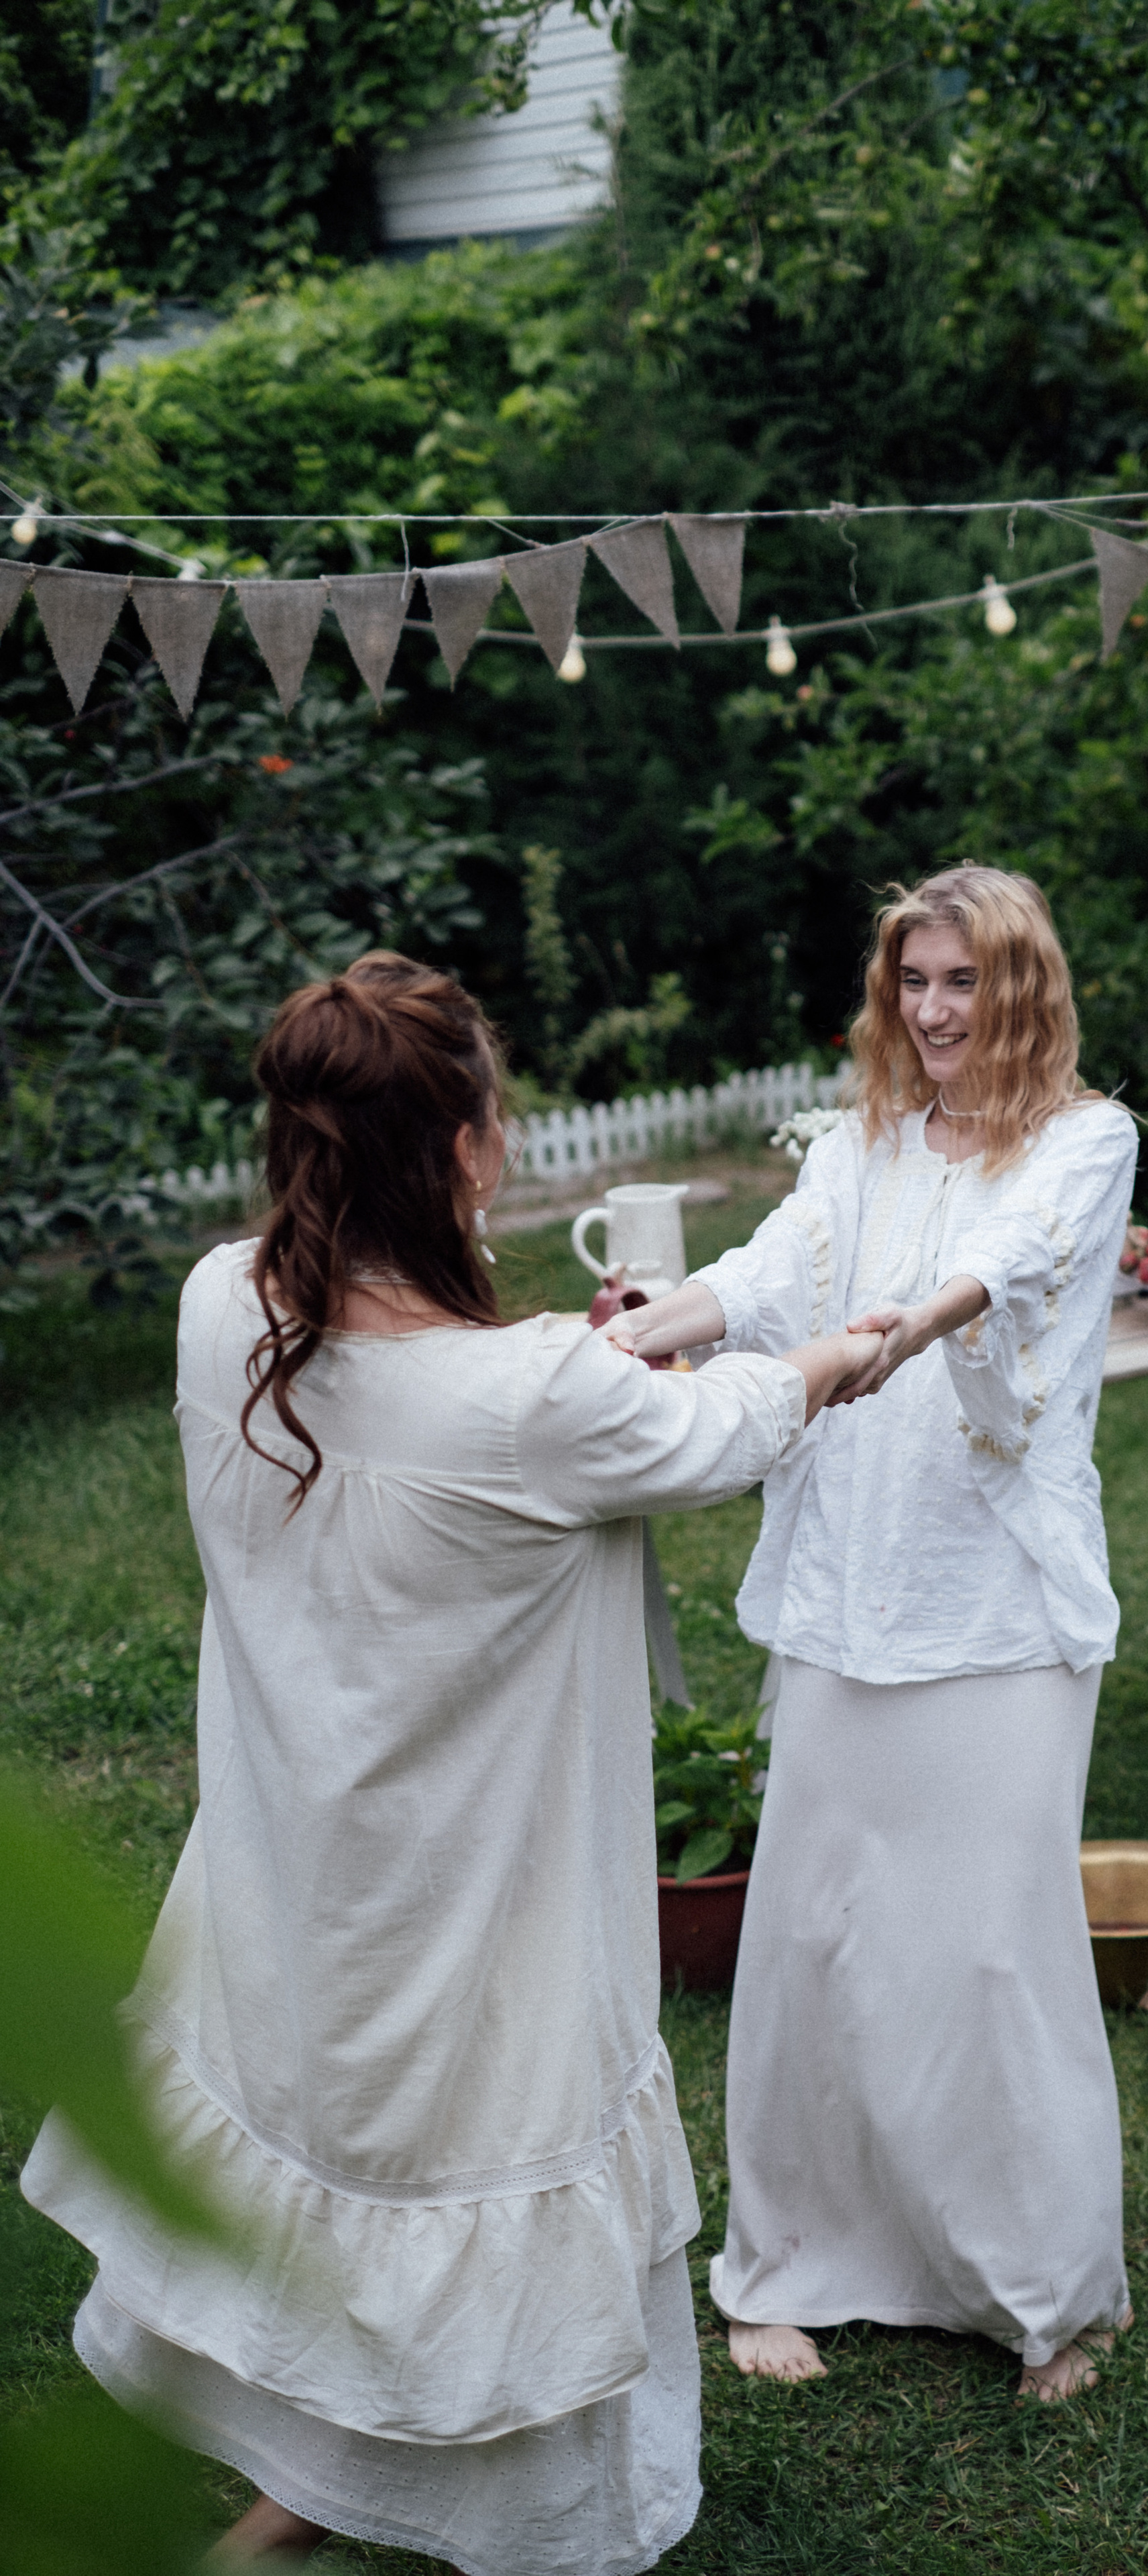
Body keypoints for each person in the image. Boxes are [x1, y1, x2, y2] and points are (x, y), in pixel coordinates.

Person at [21, 952, 880, 2573]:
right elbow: (732, 1424)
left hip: (296, 1878)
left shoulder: (226, 1308)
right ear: (469, 1150)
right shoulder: (534, 1398)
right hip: (480, 1901)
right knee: (484, 2158)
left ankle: (315, 2481)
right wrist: (842, 1353)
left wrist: (582, 1364)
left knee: (334, 2159)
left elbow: (482, 1408)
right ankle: (508, 2517)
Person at [609, 867, 1137, 2402]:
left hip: (997, 1607)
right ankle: (789, 2262)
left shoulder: (1089, 1141)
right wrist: (641, 1330)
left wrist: (911, 1324)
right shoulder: (856, 1148)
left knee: (987, 1949)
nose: (931, 1010)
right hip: (848, 1591)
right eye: (913, 982)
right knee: (816, 1933)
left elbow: (1025, 1258)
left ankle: (1037, 2286)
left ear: (1020, 988)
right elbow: (770, 1277)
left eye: (962, 982)